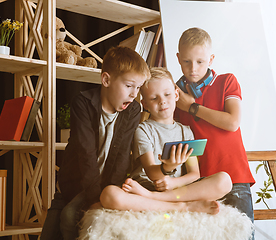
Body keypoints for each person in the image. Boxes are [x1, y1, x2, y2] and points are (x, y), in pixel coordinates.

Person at [40, 46, 150, 240]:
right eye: (129, 85)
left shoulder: (133, 110)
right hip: (76, 182)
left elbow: (123, 154)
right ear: (106, 80)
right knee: (51, 231)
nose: (134, 94)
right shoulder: (82, 103)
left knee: (68, 218)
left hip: (107, 186)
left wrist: (108, 196)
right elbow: (86, 153)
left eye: (139, 87)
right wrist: (92, 198)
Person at [99, 67, 232, 215]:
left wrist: (173, 183)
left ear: (176, 94)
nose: (162, 102)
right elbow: (151, 173)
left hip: (175, 191)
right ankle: (181, 207)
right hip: (145, 187)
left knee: (224, 180)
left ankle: (157, 199)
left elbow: (194, 174)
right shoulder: (143, 130)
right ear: (145, 104)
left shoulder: (186, 132)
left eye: (167, 94)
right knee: (109, 194)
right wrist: (167, 167)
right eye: (154, 98)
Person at [174, 27, 256, 239]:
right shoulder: (174, 93)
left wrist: (192, 107)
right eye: (186, 62)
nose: (193, 68)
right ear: (178, 59)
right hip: (198, 184)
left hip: (235, 179)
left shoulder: (226, 81)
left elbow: (232, 122)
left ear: (211, 59)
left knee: (243, 236)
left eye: (200, 62)